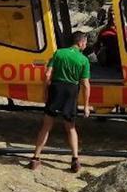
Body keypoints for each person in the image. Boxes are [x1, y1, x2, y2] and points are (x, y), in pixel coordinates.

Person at [30, 31, 92, 173]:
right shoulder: (83, 60)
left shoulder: (58, 53)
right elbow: (86, 85)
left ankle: (35, 158)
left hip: (56, 89)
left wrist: (45, 92)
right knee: (70, 127)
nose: (86, 45)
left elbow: (47, 75)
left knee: (46, 126)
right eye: (85, 43)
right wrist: (87, 106)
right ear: (81, 43)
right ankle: (75, 160)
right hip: (71, 91)